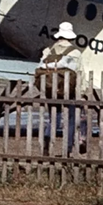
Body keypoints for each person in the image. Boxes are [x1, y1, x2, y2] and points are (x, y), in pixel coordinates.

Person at [37, 23, 85, 155]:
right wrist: (81, 93)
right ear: (70, 37)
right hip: (69, 91)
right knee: (71, 120)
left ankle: (47, 142)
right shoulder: (75, 53)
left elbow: (40, 67)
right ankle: (68, 149)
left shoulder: (48, 51)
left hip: (51, 89)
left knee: (54, 118)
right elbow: (80, 74)